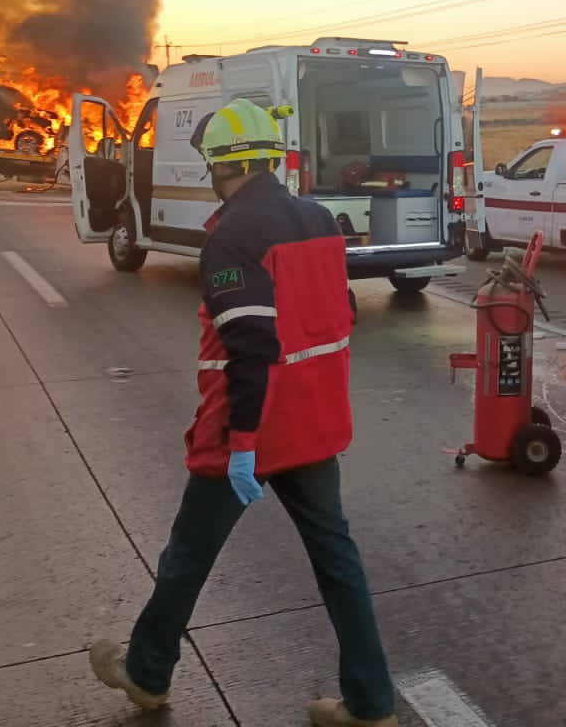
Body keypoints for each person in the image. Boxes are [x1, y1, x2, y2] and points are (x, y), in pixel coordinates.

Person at [89, 97, 397, 727]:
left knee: (188, 555)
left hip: (249, 429)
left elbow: (252, 345)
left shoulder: (231, 234)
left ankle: (147, 674)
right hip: (315, 425)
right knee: (338, 561)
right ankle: (370, 705)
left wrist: (246, 444)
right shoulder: (317, 218)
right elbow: (336, 315)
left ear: (218, 166)